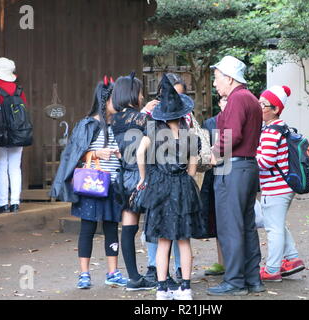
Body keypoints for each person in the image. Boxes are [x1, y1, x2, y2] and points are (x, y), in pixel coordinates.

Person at [50, 77, 127, 289]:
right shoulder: (88, 124)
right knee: (88, 229)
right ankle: (84, 274)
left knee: (112, 228)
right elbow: (74, 154)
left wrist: (121, 154)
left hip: (113, 185)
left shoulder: (120, 125)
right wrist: (94, 152)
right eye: (115, 100)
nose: (119, 105)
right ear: (105, 101)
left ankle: (113, 272)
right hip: (92, 186)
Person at [135, 74, 206, 300]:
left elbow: (138, 153)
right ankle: (185, 287)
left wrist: (143, 177)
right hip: (183, 187)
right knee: (184, 240)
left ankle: (162, 289)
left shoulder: (153, 133)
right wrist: (185, 177)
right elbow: (193, 169)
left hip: (159, 187)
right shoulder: (190, 135)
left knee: (163, 240)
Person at [207, 56, 264, 296]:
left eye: (217, 78)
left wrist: (214, 153)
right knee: (246, 226)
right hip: (248, 167)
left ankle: (234, 282)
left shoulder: (238, 98)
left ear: (229, 78)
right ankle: (252, 280)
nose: (214, 83)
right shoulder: (249, 98)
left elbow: (232, 135)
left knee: (231, 227)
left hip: (234, 167)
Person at [110, 72, 156, 291]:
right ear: (131, 94)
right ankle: (159, 273)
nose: (142, 95)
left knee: (128, 229)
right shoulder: (142, 118)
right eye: (140, 91)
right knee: (157, 225)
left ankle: (134, 278)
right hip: (143, 176)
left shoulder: (115, 119)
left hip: (124, 179)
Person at [256, 85, 306, 282]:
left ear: (275, 109)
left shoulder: (271, 132)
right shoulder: (281, 127)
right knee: (276, 224)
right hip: (283, 186)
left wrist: (248, 156)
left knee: (273, 229)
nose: (259, 108)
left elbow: (265, 162)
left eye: (263, 105)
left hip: (275, 188)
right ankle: (292, 259)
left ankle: (272, 269)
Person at [0, 57, 28, 214]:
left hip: (0, 133)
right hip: (18, 132)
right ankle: (15, 203)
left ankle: (3, 203)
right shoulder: (19, 90)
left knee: (1, 167)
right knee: (15, 168)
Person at [201, 97, 227, 276]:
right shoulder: (210, 123)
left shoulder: (238, 121)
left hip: (231, 174)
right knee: (218, 220)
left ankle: (233, 263)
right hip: (212, 176)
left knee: (230, 221)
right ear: (219, 103)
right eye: (224, 100)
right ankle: (222, 262)